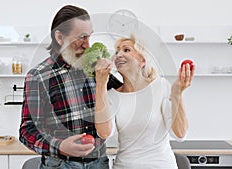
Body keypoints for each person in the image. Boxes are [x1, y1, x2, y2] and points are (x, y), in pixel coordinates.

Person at [19, 5, 122, 169]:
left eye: (89, 36)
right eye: (81, 37)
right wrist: (59, 146)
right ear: (60, 37)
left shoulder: (95, 68)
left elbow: (127, 91)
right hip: (60, 164)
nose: (87, 45)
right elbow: (27, 131)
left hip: (99, 163)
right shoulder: (38, 76)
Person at [94, 34, 195, 169]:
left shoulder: (161, 86)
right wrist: (100, 84)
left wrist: (177, 94)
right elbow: (104, 132)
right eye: (117, 51)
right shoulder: (112, 96)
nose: (118, 55)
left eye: (126, 50)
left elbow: (180, 134)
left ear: (142, 60)